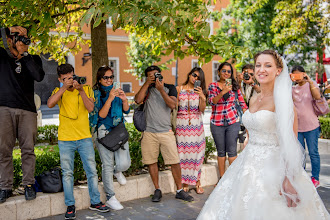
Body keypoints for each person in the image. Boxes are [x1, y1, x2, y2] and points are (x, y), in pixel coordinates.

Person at [197, 50, 330, 220]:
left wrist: (289, 178)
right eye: (258, 65)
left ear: (278, 70)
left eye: (268, 65)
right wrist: (249, 141)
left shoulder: (283, 101)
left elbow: (291, 143)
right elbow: (253, 129)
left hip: (274, 167)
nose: (261, 69)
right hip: (246, 164)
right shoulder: (254, 98)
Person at [47, 64, 110, 220]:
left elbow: (90, 108)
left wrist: (80, 90)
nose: (70, 80)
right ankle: (70, 205)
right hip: (65, 138)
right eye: (66, 78)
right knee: (67, 174)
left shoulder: (86, 89)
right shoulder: (58, 91)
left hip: (84, 137)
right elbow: (49, 104)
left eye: (71, 76)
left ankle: (95, 202)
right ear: (60, 79)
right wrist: (63, 88)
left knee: (91, 171)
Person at [135, 65, 194, 203]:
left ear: (161, 75)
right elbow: (137, 100)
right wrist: (146, 83)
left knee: (174, 161)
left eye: (156, 74)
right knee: (151, 162)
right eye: (151, 75)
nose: (154, 77)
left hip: (166, 131)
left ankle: (179, 190)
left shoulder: (169, 87)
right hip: (149, 132)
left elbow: (173, 105)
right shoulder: (147, 88)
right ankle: (157, 189)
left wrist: (161, 90)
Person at [0, 26, 45, 203]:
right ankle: (5, 187)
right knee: (4, 150)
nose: (23, 40)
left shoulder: (32, 59)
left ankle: (28, 185)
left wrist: (24, 54)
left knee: (28, 150)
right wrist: (7, 29)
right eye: (19, 37)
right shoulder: (2, 56)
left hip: (27, 110)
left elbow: (39, 76)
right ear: (10, 39)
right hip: (4, 108)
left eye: (26, 37)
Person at [89, 66, 131, 210]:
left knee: (125, 163)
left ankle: (117, 170)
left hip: (119, 129)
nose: (109, 80)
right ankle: (110, 197)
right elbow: (100, 115)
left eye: (111, 77)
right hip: (104, 131)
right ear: (100, 80)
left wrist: (124, 99)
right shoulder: (96, 94)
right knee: (107, 165)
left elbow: (126, 110)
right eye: (106, 78)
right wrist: (110, 98)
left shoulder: (117, 90)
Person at [208, 62, 248, 179]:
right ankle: (222, 179)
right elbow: (211, 102)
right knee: (221, 152)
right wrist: (223, 92)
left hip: (232, 122)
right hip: (217, 123)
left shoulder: (235, 87)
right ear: (219, 72)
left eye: (229, 71)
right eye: (224, 71)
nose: (226, 73)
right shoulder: (213, 86)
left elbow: (242, 103)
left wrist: (250, 118)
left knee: (232, 152)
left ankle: (232, 180)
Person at [176, 67, 207, 194]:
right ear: (189, 74)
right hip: (181, 125)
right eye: (194, 75)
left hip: (196, 124)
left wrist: (202, 97)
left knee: (197, 154)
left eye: (198, 78)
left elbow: (202, 109)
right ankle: (184, 182)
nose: (195, 78)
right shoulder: (179, 89)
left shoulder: (200, 91)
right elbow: (175, 107)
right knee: (182, 154)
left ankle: (197, 181)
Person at [291, 65, 322, 188]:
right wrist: (288, 81)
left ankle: (315, 178)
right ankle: (302, 177)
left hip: (311, 125)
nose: (297, 78)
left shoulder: (311, 84)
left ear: (304, 74)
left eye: (299, 75)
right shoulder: (292, 88)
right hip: (297, 126)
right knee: (300, 153)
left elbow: (317, 96)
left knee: (313, 153)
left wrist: (309, 80)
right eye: (295, 75)